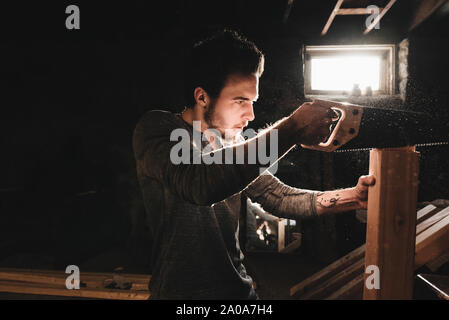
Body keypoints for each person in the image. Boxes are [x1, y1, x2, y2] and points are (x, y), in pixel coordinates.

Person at [132, 30, 375, 299]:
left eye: (253, 101)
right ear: (202, 97)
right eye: (240, 101)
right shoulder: (157, 128)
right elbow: (199, 185)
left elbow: (278, 197)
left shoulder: (233, 141)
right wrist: (291, 129)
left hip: (240, 295)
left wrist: (354, 197)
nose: (250, 114)